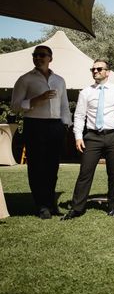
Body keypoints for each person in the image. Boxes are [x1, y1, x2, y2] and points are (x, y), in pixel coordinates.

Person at [62, 60, 114, 220]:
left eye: (99, 69)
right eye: (93, 69)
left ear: (108, 72)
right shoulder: (85, 92)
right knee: (85, 173)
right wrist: (78, 137)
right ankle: (77, 208)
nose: (95, 71)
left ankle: (112, 206)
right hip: (92, 137)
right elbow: (79, 116)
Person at [11, 45, 71, 219]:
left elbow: (64, 106)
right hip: (34, 125)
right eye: (35, 55)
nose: (38, 58)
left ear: (50, 58)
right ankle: (41, 206)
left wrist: (65, 125)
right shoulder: (25, 80)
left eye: (42, 55)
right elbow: (15, 106)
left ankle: (51, 203)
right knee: (36, 166)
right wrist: (37, 100)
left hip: (55, 127)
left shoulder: (59, 80)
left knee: (52, 167)